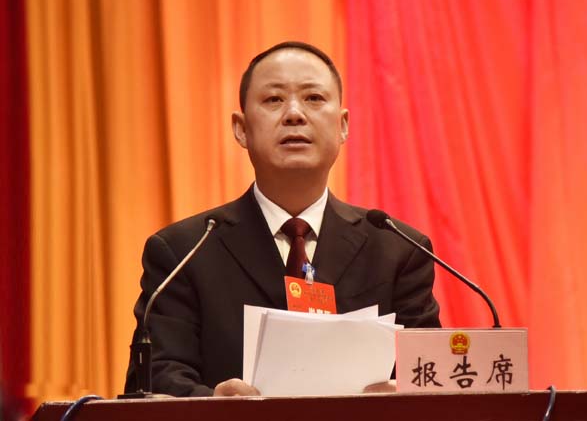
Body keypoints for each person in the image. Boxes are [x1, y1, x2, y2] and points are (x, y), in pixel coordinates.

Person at [124, 41, 441, 397]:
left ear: (343, 126)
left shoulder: (398, 250)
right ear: (241, 128)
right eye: (274, 99)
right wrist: (214, 403)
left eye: (314, 98)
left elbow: (430, 377)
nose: (294, 114)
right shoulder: (184, 252)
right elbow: (156, 378)